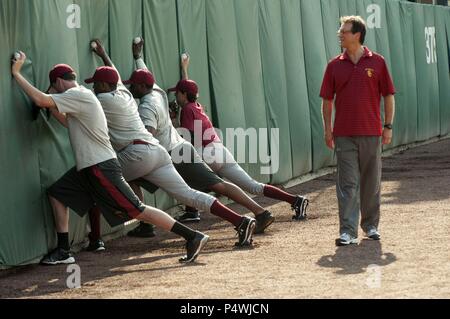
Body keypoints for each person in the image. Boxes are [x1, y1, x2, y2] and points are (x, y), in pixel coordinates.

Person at [11, 52, 209, 264]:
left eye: (53, 87)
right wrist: (50, 104)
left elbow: (41, 99)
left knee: (137, 210)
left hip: (101, 166)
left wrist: (17, 73)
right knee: (57, 194)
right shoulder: (81, 97)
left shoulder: (80, 95)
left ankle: (192, 236)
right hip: (88, 167)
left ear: (58, 82)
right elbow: (69, 122)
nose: (53, 92)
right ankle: (63, 250)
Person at [86, 39, 256, 248]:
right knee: (188, 194)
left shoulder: (108, 100)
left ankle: (96, 239)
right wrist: (111, 55)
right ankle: (240, 220)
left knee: (96, 179)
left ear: (104, 85)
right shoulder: (148, 91)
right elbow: (119, 77)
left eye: (96, 83)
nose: (93, 86)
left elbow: (145, 126)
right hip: (160, 152)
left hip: (143, 151)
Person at [127, 38, 274, 238]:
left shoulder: (147, 106)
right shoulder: (158, 93)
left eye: (133, 86)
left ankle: (256, 213)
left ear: (142, 88)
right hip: (178, 150)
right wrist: (138, 58)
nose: (130, 89)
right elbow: (146, 79)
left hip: (172, 154)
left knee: (211, 186)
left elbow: (148, 134)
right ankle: (145, 223)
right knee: (136, 177)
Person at [172, 54, 310, 223]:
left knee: (187, 170)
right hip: (219, 150)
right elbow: (189, 91)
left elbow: (188, 136)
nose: (175, 96)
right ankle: (296, 200)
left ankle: (193, 210)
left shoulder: (186, 110)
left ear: (184, 95)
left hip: (206, 152)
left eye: (177, 93)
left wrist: (172, 121)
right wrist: (185, 70)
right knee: (253, 186)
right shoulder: (197, 105)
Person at [319, 16, 395, 246]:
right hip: (343, 134)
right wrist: (328, 130)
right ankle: (348, 231)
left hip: (372, 133)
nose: (339, 34)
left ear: (357, 35)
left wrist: (388, 126)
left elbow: (388, 96)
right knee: (347, 183)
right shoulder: (334, 65)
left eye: (344, 31)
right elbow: (327, 101)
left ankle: (371, 226)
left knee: (371, 183)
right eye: (340, 31)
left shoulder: (378, 62)